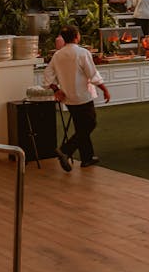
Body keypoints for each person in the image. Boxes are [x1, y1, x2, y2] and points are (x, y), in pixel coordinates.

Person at [43, 25, 110, 171]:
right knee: (89, 124)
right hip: (82, 96)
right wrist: (104, 89)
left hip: (67, 96)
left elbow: (47, 74)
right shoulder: (82, 53)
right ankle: (65, 150)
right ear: (76, 37)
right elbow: (92, 74)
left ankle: (87, 157)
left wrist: (56, 89)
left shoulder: (58, 55)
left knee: (81, 127)